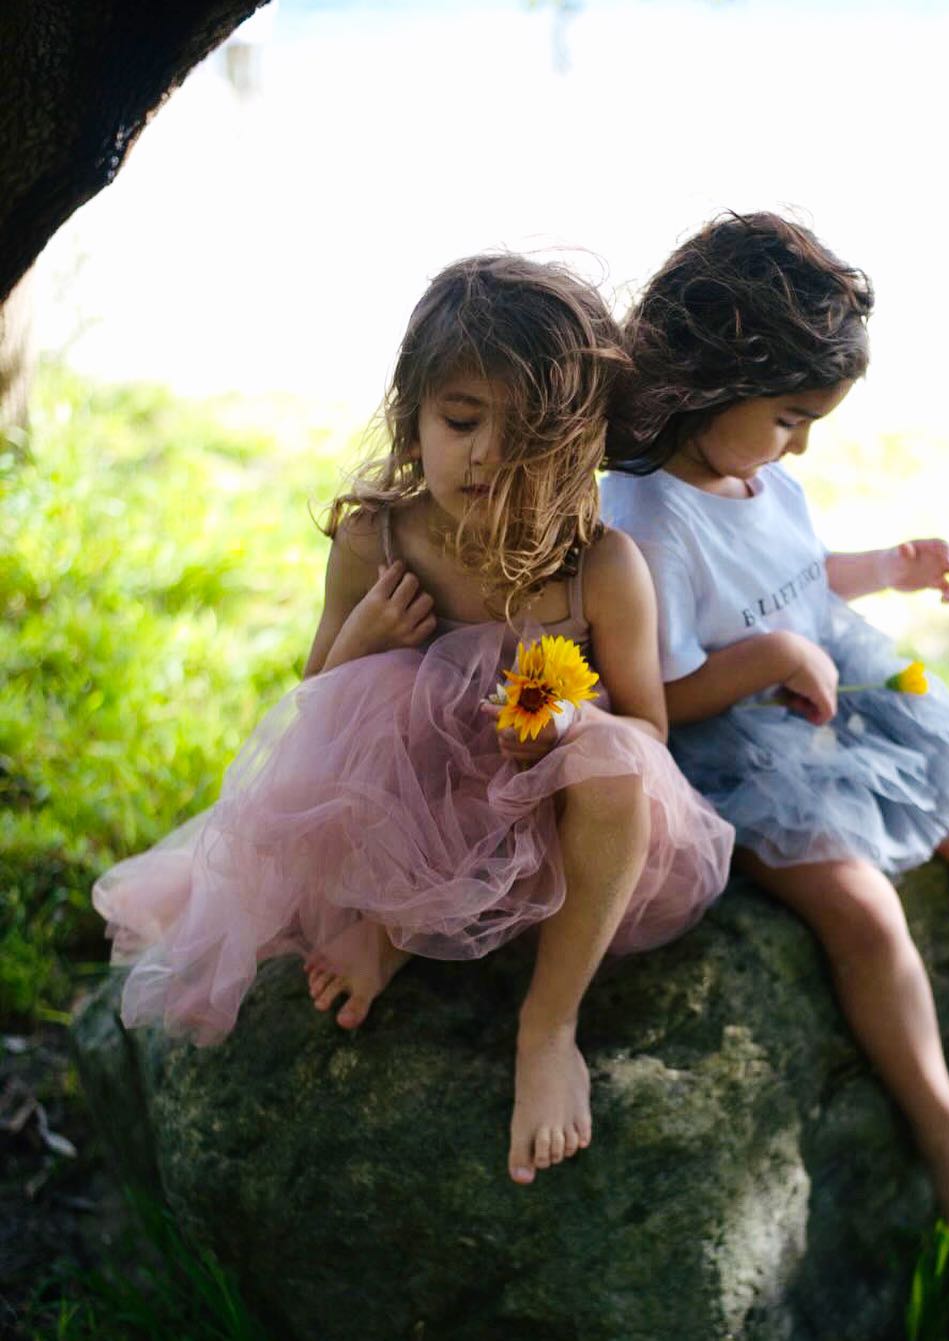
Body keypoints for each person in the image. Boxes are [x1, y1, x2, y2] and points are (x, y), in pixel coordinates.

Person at [93, 254, 734, 1186]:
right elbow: (315, 707)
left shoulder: (600, 569)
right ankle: (390, 932)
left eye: (526, 437)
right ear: (413, 416)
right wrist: (364, 635)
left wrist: (566, 725)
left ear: (578, 446)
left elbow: (648, 733)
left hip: (543, 830)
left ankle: (548, 1025)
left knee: (610, 766)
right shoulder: (378, 540)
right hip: (415, 821)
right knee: (388, 695)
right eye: (461, 421)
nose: (485, 456)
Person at [600, 213, 949, 1256]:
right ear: (711, 381)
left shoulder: (757, 471)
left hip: (828, 698)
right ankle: (947, 1134)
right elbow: (655, 700)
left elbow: (794, 576)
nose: (802, 443)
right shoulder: (645, 523)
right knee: (861, 907)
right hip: (735, 751)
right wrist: (771, 659)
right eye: (790, 417)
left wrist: (887, 569)